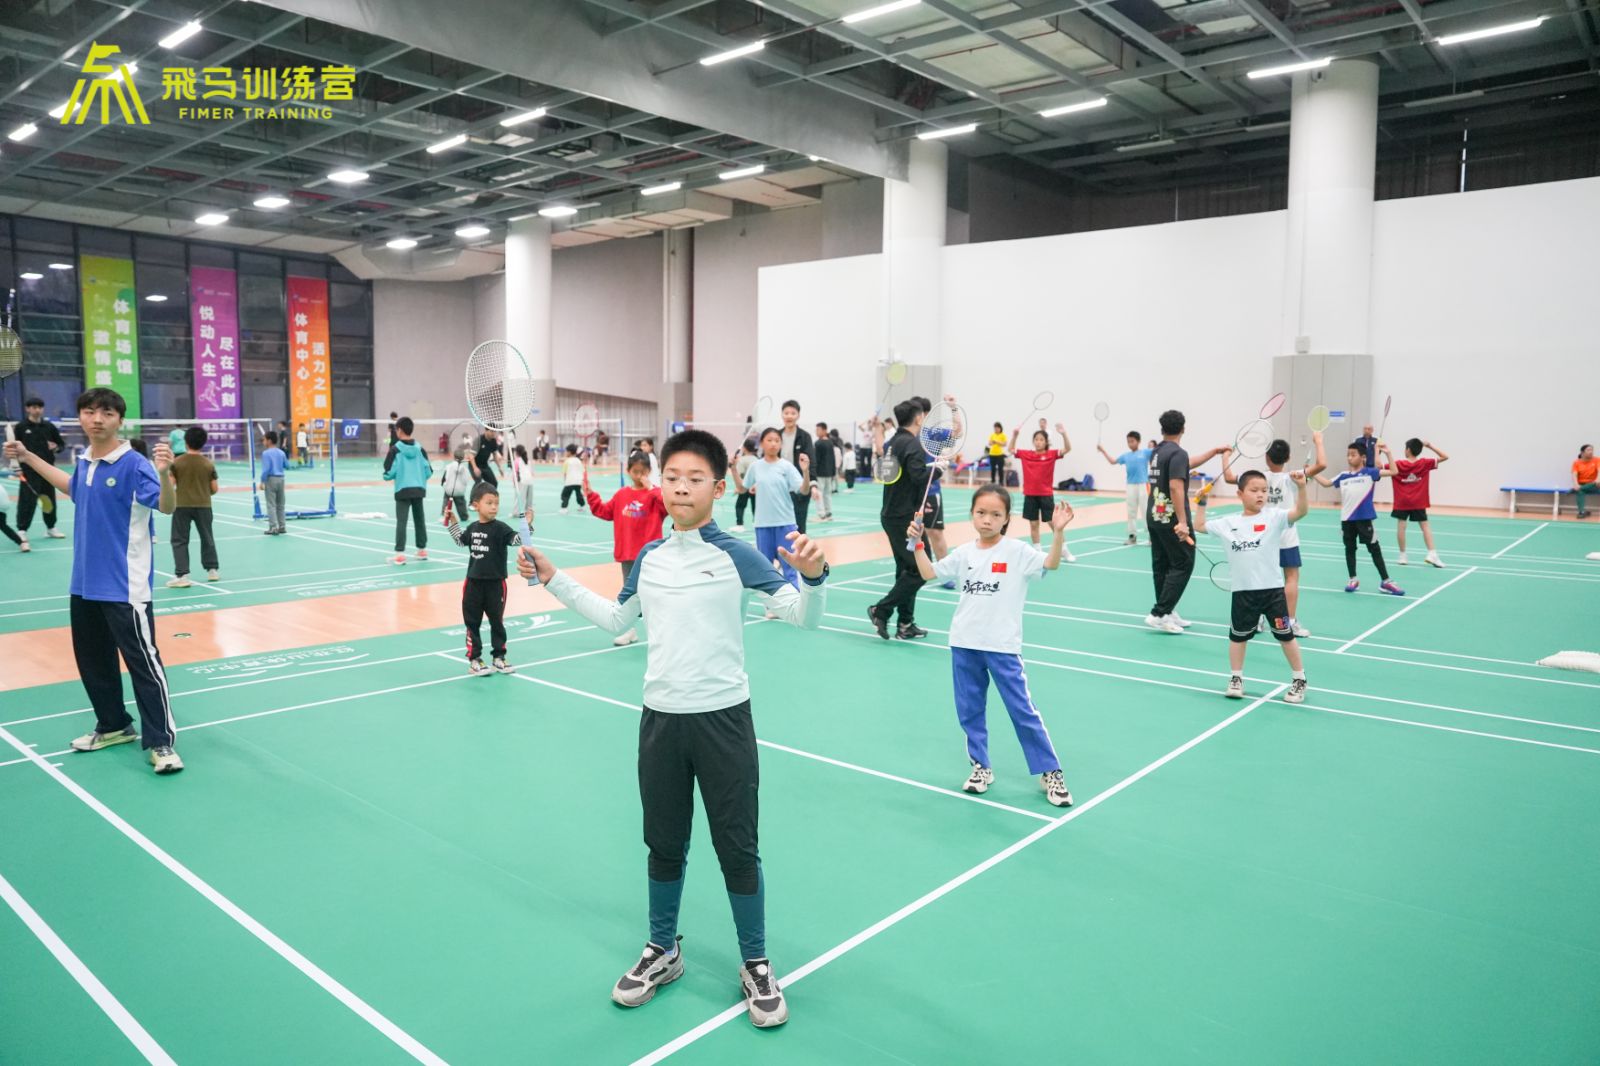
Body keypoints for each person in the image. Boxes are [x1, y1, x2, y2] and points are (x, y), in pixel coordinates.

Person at [516, 429, 829, 1030]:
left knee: (737, 846)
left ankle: (756, 962)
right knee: (664, 843)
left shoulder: (738, 556)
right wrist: (554, 577)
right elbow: (616, 619)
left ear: (719, 487)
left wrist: (813, 579)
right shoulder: (651, 559)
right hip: (660, 721)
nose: (681, 487)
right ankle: (663, 950)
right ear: (661, 483)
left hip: (724, 721)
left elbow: (802, 618)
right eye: (673, 477)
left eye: (695, 478)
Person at [4, 388, 183, 774]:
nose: (96, 419)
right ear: (80, 417)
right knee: (94, 662)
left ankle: (161, 741)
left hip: (125, 587)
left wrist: (165, 475)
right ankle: (114, 725)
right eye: (89, 411)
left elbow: (166, 506)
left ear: (120, 420)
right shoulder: (85, 461)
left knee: (143, 665)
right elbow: (71, 488)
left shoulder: (134, 464)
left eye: (106, 412)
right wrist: (28, 456)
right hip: (85, 584)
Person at [909, 487, 1075, 807]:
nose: (987, 520)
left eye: (995, 514)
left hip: (1002, 646)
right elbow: (929, 572)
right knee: (970, 711)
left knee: (1022, 710)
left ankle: (1050, 772)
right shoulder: (963, 553)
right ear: (972, 514)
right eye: (981, 513)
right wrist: (917, 543)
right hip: (964, 643)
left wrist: (1057, 533)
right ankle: (981, 767)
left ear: (1006, 519)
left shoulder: (1017, 551)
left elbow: (1052, 564)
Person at [1194, 468, 1311, 703]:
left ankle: (1299, 679)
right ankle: (1236, 678)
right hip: (1243, 592)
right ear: (1240, 494)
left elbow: (1301, 511)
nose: (1261, 495)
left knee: (1285, 636)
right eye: (1254, 490)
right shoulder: (1228, 523)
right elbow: (1199, 525)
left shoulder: (1275, 517)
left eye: (1264, 491)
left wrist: (1301, 487)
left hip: (1272, 592)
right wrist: (1202, 502)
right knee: (1238, 637)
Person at [1221, 431, 1325, 638]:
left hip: (1261, 537)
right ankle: (1290, 622)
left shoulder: (1256, 479)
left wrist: (1225, 456)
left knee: (1260, 577)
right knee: (1291, 577)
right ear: (1288, 458)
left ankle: (1257, 619)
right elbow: (1321, 464)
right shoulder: (1293, 477)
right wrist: (1318, 441)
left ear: (1266, 457)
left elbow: (1229, 477)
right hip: (1286, 536)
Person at [1145, 410, 1230, 634]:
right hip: (1172, 519)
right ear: (1183, 428)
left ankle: (1167, 611)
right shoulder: (1177, 453)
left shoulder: (1157, 452)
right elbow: (1175, 486)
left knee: (1162, 565)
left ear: (1162, 429)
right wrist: (1182, 522)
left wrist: (1214, 452)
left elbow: (1186, 464)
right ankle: (1159, 613)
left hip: (1154, 515)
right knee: (1184, 562)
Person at [586, 450, 669, 647]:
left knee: (654, 594)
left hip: (651, 556)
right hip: (628, 555)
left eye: (643, 472)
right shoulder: (622, 494)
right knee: (630, 596)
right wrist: (590, 495)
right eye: (635, 471)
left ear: (649, 471)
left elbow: (667, 507)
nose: (639, 476)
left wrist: (651, 488)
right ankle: (629, 631)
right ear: (628, 471)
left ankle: (662, 632)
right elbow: (605, 512)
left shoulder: (655, 495)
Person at [867, 399, 930, 641]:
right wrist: (939, 470)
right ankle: (881, 610)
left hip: (892, 514)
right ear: (918, 418)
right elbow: (918, 477)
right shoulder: (912, 444)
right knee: (922, 569)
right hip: (904, 519)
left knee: (906, 570)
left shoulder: (892, 442)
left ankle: (905, 624)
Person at [445, 482, 520, 676]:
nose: (494, 507)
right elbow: (460, 541)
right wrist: (453, 523)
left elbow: (517, 540)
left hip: (496, 584)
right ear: (476, 505)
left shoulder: (501, 528)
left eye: (496, 503)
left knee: (497, 621)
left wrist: (527, 527)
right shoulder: (472, 527)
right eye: (489, 503)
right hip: (473, 583)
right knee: (472, 623)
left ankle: (499, 657)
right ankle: (475, 660)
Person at [1315, 442, 1404, 595]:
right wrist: (1311, 472)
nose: (1349, 457)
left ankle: (1386, 581)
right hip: (1347, 519)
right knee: (1350, 549)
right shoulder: (1343, 476)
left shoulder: (1370, 473)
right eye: (1348, 455)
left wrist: (1388, 453)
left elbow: (1394, 471)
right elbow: (1326, 483)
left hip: (1364, 518)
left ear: (1363, 457)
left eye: (1353, 455)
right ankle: (1353, 579)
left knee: (1374, 549)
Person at [735, 427, 810, 596]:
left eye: (777, 440)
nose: (773, 444)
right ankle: (771, 605)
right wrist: (733, 469)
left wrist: (805, 471)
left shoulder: (787, 467)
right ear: (762, 443)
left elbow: (804, 490)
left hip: (786, 524)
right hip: (763, 525)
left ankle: (795, 601)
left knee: (790, 567)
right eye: (769, 440)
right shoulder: (756, 466)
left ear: (781, 444)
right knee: (766, 569)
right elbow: (742, 488)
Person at [1009, 419, 1077, 561]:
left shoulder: (1052, 454)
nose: (1038, 442)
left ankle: (1064, 550)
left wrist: (1063, 434)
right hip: (1030, 495)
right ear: (1033, 441)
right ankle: (1037, 552)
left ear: (1046, 442)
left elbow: (1068, 449)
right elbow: (1010, 449)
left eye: (1041, 439)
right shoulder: (1026, 454)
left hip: (1046, 495)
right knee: (1034, 525)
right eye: (1036, 439)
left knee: (1054, 524)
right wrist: (1015, 435)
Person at [165, 425, 220, 587]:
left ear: (186, 441)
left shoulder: (177, 462)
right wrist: (202, 493)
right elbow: (214, 488)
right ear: (204, 442)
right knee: (207, 537)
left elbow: (170, 485)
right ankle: (212, 570)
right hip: (204, 505)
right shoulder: (208, 464)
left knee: (179, 539)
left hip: (181, 505)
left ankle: (182, 575)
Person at [1386, 438, 1449, 565]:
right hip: (1418, 502)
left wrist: (1378, 450)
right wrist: (1429, 445)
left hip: (1402, 502)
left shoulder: (1398, 464)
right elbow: (1445, 457)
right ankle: (1432, 553)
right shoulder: (1424, 463)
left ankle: (1402, 556)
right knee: (1425, 526)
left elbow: (1377, 466)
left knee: (1401, 526)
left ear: (1408, 450)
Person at [12, 397, 66, 540]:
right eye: (34, 407)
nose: (37, 410)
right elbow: (14, 448)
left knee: (49, 500)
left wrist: (56, 447)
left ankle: (51, 527)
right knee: (27, 500)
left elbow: (61, 445)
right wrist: (16, 466)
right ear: (27, 409)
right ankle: (22, 530)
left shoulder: (49, 427)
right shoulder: (21, 427)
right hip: (28, 471)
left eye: (40, 407)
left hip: (48, 470)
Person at [383, 416, 433, 564]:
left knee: (402, 522)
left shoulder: (395, 449)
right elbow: (428, 471)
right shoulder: (420, 449)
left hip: (402, 490)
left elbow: (388, 472)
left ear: (399, 430)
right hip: (418, 489)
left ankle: (399, 554)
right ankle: (422, 551)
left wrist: (388, 476)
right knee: (420, 520)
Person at [1097, 431, 1151, 546]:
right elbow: (1112, 461)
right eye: (1128, 442)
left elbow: (1158, 454)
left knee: (1146, 511)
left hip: (1143, 485)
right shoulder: (1126, 456)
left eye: (1132, 441)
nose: (1130, 444)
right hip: (1130, 485)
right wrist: (1103, 451)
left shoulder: (1145, 453)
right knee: (1131, 512)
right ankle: (1132, 536)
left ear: (1138, 441)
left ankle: (1152, 537)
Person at [777, 400, 815, 534]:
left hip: (799, 489)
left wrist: (813, 485)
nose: (789, 416)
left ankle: (800, 548)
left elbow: (811, 462)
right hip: (779, 489)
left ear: (798, 415)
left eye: (793, 413)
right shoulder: (776, 436)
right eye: (786, 413)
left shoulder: (804, 437)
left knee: (799, 528)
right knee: (780, 527)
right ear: (782, 415)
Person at [259, 431, 288, 534]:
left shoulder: (266, 453)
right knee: (280, 505)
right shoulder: (281, 453)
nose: (263, 441)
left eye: (264, 439)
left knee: (271, 504)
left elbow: (266, 469)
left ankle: (273, 527)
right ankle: (282, 526)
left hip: (271, 479)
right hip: (281, 479)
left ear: (269, 441)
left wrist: (262, 481)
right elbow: (286, 465)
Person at [439, 443, 475, 523]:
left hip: (449, 490)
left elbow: (444, 478)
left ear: (454, 456)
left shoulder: (448, 466)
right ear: (463, 457)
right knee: (461, 504)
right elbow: (466, 481)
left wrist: (443, 485)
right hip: (460, 492)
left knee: (446, 500)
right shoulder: (465, 469)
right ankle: (464, 517)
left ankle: (444, 515)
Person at [811, 421, 837, 521]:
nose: (816, 432)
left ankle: (821, 514)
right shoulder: (830, 442)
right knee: (827, 494)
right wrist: (833, 472)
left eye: (818, 429)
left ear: (825, 430)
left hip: (820, 473)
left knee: (819, 493)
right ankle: (828, 513)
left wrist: (813, 472)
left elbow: (815, 459)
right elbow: (833, 459)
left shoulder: (818, 443)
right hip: (829, 473)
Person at [732, 438, 757, 531]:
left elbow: (740, 474)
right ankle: (756, 523)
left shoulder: (742, 460)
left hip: (745, 486)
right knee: (755, 506)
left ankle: (739, 525)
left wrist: (738, 488)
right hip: (755, 487)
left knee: (740, 505)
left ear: (744, 448)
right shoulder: (757, 460)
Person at [1571, 444, 1597, 518]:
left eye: (1592, 450)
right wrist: (1575, 484)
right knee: (1580, 490)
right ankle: (1581, 512)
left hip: (1595, 485)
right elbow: (1574, 474)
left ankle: (1576, 489)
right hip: (1583, 485)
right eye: (1588, 450)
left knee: (1593, 484)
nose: (1591, 452)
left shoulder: (1597, 460)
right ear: (1582, 452)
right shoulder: (1576, 463)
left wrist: (1598, 479)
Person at [560, 444, 586, 512]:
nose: (565, 453)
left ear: (569, 452)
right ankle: (582, 506)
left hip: (570, 481)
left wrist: (565, 480)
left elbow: (565, 472)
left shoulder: (567, 461)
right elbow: (583, 470)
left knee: (565, 495)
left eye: (566, 451)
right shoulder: (579, 461)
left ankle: (564, 508)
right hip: (578, 481)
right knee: (579, 494)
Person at [0, 479, 23, 552]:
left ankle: (21, 542)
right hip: (4, 504)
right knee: (3, 525)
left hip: (1, 504)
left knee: (2, 525)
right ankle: (22, 543)